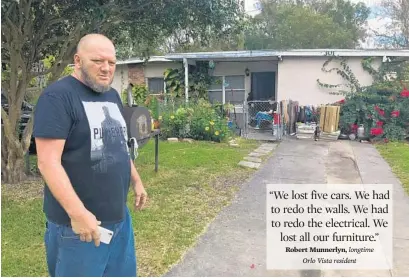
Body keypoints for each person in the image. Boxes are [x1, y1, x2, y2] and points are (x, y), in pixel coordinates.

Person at [33, 33, 147, 277]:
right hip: (79, 228)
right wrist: (78, 214)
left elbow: (117, 146)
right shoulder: (57, 98)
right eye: (98, 61)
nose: (106, 68)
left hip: (119, 219)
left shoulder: (112, 95)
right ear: (77, 60)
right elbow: (47, 162)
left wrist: (136, 181)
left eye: (112, 62)